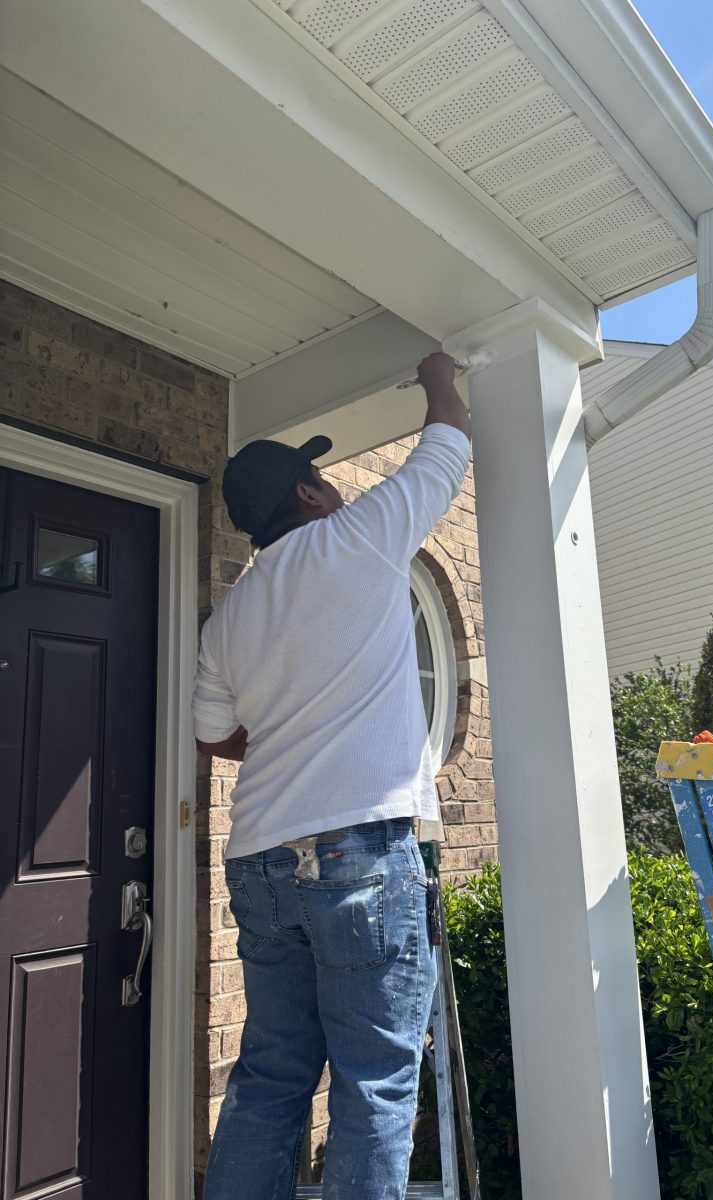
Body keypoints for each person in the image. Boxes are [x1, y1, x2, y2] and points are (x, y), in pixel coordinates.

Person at [192, 352, 471, 1200]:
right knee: (375, 1082)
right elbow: (448, 449)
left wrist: (285, 736)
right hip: (358, 854)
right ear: (312, 496)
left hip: (262, 862)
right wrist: (438, 375)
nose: (330, 482)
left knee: (271, 1075)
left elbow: (214, 736)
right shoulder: (361, 537)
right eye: (320, 473)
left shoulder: (233, 612)